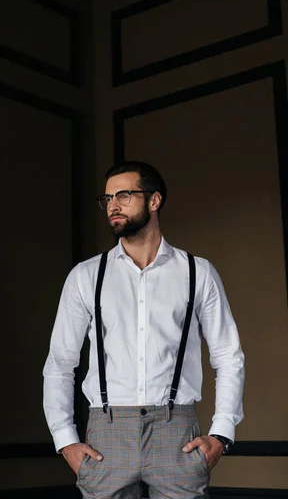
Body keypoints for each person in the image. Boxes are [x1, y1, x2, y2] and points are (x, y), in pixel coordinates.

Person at [43, 160, 245, 499]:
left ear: (154, 201)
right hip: (106, 437)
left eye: (124, 195)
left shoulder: (198, 273)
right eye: (107, 199)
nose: (113, 206)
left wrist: (221, 434)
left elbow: (228, 356)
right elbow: (60, 363)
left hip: (177, 434)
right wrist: (65, 440)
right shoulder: (86, 276)